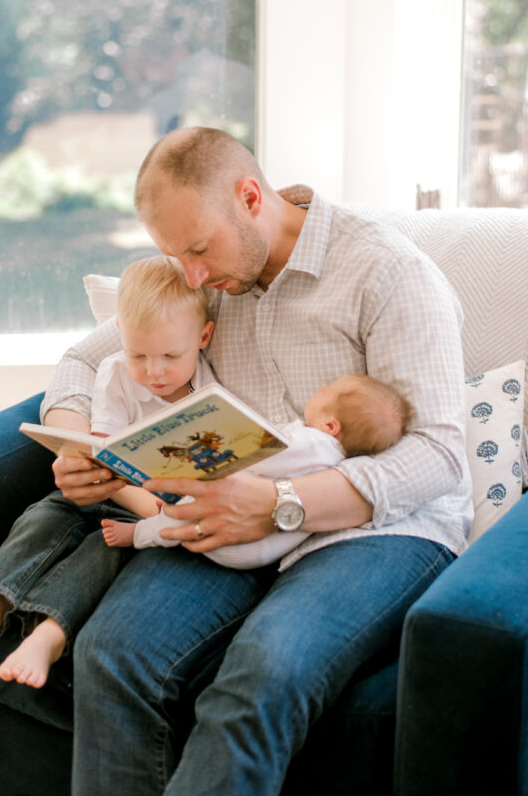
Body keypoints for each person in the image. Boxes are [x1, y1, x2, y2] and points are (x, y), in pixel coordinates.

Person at [42, 126, 472, 796]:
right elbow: (81, 362)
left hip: (374, 527)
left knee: (262, 673)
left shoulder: (387, 272)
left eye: (196, 249)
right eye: (171, 256)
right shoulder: (207, 277)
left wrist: (280, 505)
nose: (191, 276)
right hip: (224, 514)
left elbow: (438, 454)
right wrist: (78, 444)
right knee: (113, 656)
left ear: (250, 198)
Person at [0, 253, 215, 688]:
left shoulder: (211, 392)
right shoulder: (115, 372)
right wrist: (114, 484)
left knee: (104, 551)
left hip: (161, 512)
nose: (154, 372)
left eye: (171, 356)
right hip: (114, 489)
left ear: (204, 337)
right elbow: (102, 450)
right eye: (139, 354)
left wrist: (157, 511)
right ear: (119, 336)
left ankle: (48, 637)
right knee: (41, 518)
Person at [102, 373, 414, 570]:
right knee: (184, 507)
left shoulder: (316, 444)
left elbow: (262, 455)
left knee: (176, 519)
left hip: (237, 542)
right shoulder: (332, 456)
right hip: (258, 549)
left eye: (327, 390)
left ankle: (139, 534)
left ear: (331, 426)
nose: (320, 387)